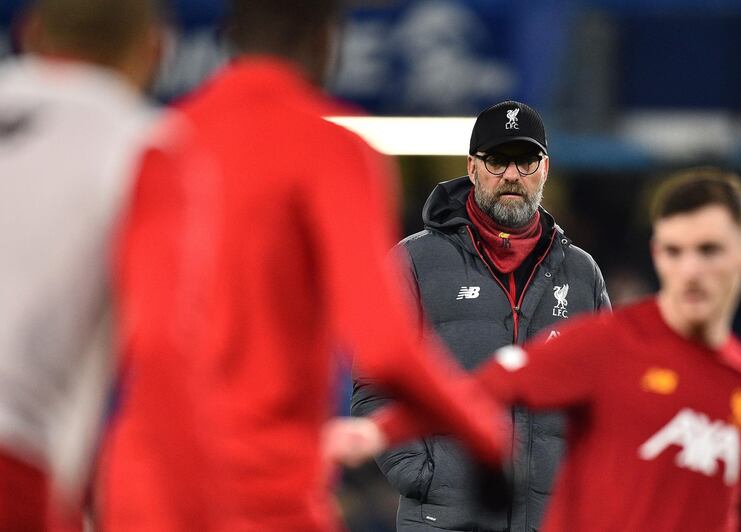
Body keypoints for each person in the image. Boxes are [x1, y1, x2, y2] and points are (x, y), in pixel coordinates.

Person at [97, 1, 510, 530]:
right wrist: (484, 436)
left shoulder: (156, 140)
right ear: (325, 38)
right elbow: (383, 345)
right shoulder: (330, 147)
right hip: (255, 490)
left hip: (140, 485)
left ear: (228, 37)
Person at [340, 168, 741, 531]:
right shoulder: (606, 344)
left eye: (708, 250)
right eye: (675, 252)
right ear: (657, 255)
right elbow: (486, 389)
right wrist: (381, 434)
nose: (690, 270)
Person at [351, 100, 610, 531]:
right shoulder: (415, 261)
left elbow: (607, 397)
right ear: (472, 168)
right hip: (443, 518)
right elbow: (374, 383)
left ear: (544, 169)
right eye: (497, 161)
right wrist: (421, 474)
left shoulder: (582, 273)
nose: (512, 176)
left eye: (525, 161)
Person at [0, 0, 162, 528]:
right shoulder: (147, 146)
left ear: (29, 33)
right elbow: (167, 349)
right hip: (19, 465)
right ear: (154, 52)